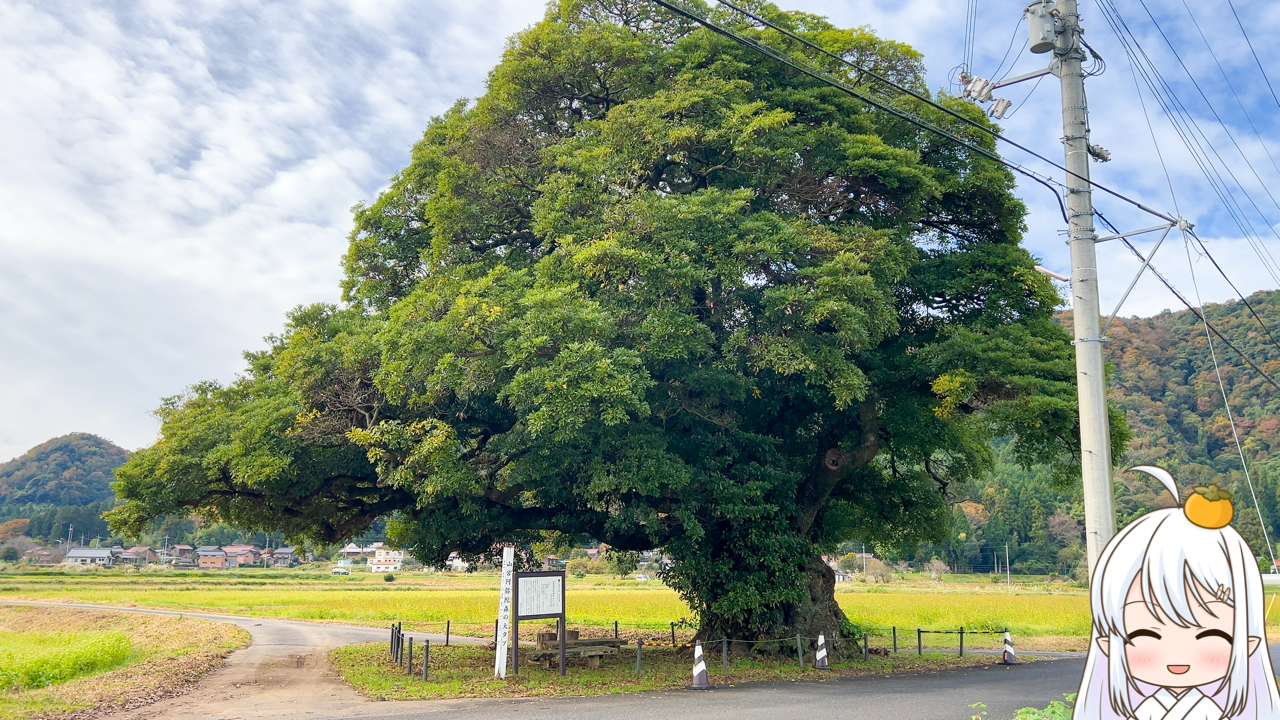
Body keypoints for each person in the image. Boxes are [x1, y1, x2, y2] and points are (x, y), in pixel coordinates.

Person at [1074, 466, 1280, 720]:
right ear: (1107, 643)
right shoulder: (1144, 711)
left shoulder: (1210, 711)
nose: (1178, 653)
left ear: (1248, 644)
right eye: (1145, 634)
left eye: (1210, 634)